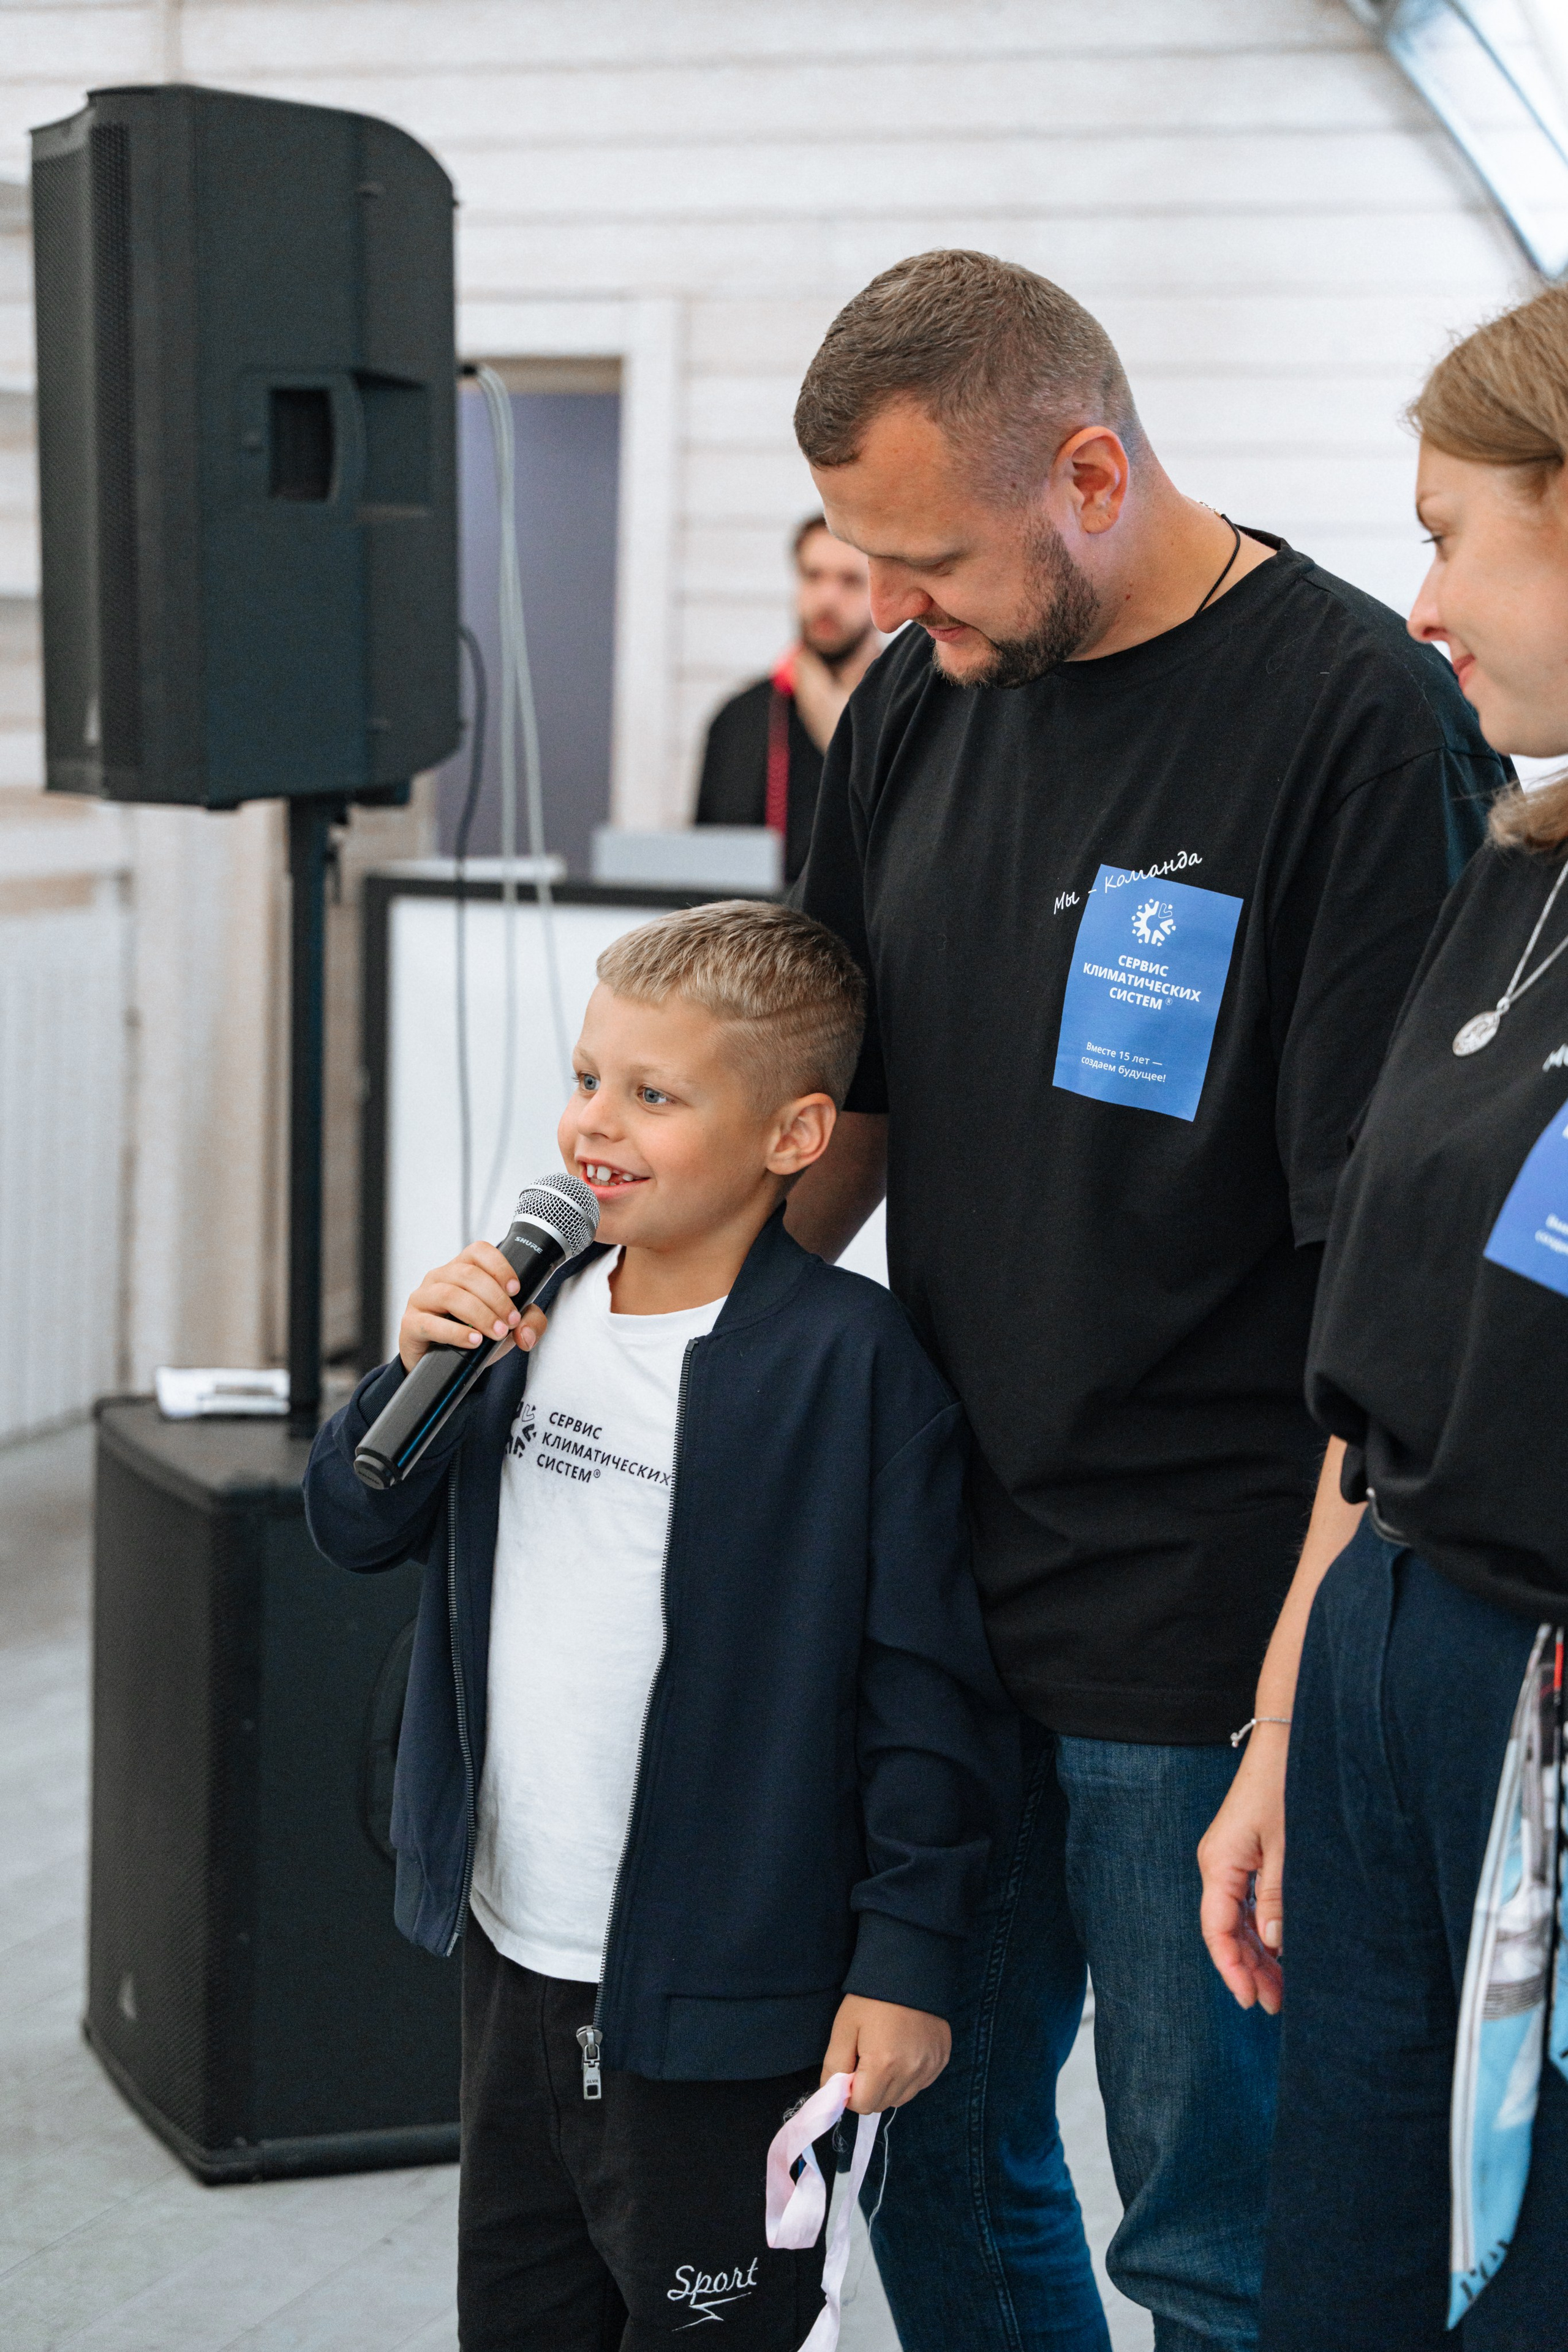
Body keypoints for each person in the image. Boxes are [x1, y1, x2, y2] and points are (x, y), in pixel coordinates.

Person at [784, 248, 1505, 2351]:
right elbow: (847, 1108)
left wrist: (1290, 1690)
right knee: (927, 2152)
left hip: (1201, 1622)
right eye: (869, 562)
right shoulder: (918, 699)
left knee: (1218, 2231)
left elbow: (1384, 1261)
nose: (893, 607)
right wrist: (632, 1317)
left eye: (934, 561)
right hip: (945, 1582)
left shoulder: (1354, 716)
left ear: (1089, 475)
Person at [304, 900, 1011, 2351]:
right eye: (586, 1078)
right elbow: (356, 1525)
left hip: (730, 1999)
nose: (594, 1125)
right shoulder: (523, 1318)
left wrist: (901, 1956)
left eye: (654, 1094)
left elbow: (925, 1695)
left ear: (793, 1134)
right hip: (514, 1952)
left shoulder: (849, 1367)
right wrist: (406, 1372)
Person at [1194, 288, 1568, 2350]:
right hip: (1388, 1650)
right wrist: (1282, 1725)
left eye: (1449, 535)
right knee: (1342, 2252)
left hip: (1537, 1689)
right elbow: (1384, 1364)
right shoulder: (1515, 874)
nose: (1422, 601)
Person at [695, 515, 881, 881]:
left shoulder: (911, 711)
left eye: (850, 581)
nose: (828, 598)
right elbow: (707, 870)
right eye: (813, 576)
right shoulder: (739, 721)